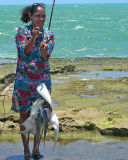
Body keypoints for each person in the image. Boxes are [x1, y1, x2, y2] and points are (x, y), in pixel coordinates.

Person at [11, 3, 54, 159]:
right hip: (24, 82)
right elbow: (25, 52)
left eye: (43, 16)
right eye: (38, 15)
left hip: (42, 82)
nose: (41, 19)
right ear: (30, 16)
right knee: (24, 115)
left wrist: (44, 51)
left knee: (41, 116)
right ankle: (26, 150)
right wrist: (34, 37)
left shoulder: (49, 34)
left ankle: (36, 149)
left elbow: (45, 57)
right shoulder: (21, 32)